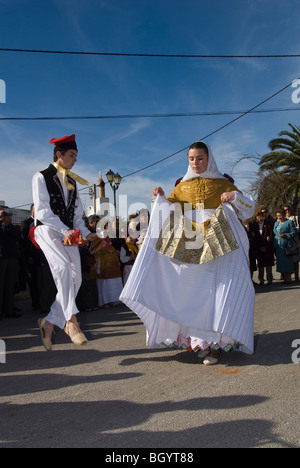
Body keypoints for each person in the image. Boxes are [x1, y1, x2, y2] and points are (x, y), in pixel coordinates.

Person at [120, 141, 256, 366]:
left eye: (200, 158)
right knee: (193, 293)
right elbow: (166, 212)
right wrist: (160, 198)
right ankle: (198, 342)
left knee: (215, 294)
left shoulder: (223, 183)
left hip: (219, 243)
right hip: (190, 245)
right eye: (192, 159)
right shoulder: (181, 187)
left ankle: (215, 347)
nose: (196, 163)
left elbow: (249, 208)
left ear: (209, 158)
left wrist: (234, 196)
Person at [32, 134, 97, 351]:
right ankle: (72, 321)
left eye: (76, 156)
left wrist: (87, 233)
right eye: (72, 155)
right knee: (61, 268)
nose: (75, 160)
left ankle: (49, 323)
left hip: (68, 233)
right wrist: (64, 229)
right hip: (48, 230)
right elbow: (42, 211)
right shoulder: (40, 177)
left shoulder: (72, 182)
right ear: (59, 155)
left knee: (76, 278)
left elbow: (77, 215)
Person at [0, 211, 21, 320]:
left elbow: (18, 236)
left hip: (12, 258)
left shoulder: (12, 227)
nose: (6, 218)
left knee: (10, 286)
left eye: (6, 216)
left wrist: (8, 226)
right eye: (3, 216)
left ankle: (9, 310)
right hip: (2, 259)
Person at [249, 211, 274, 285]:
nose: (260, 219)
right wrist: (259, 247)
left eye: (261, 217)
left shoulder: (268, 225)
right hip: (259, 247)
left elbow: (271, 236)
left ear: (264, 217)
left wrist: (266, 245)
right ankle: (261, 280)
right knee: (261, 265)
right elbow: (253, 236)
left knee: (268, 264)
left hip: (268, 247)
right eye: (258, 217)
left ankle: (269, 279)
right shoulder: (254, 225)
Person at [273, 208, 297, 284]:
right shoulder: (276, 223)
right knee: (281, 263)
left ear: (284, 215)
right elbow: (275, 231)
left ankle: (288, 277)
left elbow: (294, 233)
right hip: (279, 246)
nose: (279, 217)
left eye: (280, 216)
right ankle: (284, 278)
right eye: (277, 216)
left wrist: (286, 235)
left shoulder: (289, 222)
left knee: (288, 263)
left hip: (287, 245)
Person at [283, 205, 300, 282]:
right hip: (285, 241)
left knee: (295, 259)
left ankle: (296, 276)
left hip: (295, 240)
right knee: (287, 259)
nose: (287, 211)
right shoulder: (282, 219)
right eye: (285, 210)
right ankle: (288, 277)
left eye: (288, 209)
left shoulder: (295, 218)